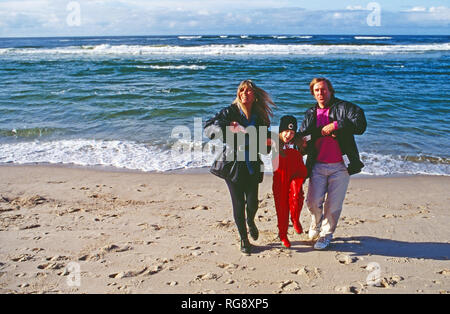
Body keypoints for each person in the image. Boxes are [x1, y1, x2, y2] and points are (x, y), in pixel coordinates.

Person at [204, 80, 275, 255]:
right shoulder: (230, 111)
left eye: (249, 91)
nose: (244, 93)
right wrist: (227, 128)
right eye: (241, 90)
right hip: (232, 164)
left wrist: (267, 143)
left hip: (252, 163)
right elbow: (209, 128)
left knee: (252, 203)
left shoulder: (261, 117)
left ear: (255, 95)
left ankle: (250, 221)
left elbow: (264, 147)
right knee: (238, 203)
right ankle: (244, 239)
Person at [297, 77, 367, 250]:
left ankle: (326, 235)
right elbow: (302, 137)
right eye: (317, 90)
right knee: (313, 202)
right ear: (313, 93)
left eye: (324, 89)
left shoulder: (344, 107)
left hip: (341, 166)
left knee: (333, 205)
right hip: (317, 165)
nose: (321, 93)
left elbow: (360, 125)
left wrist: (336, 125)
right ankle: (315, 223)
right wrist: (302, 143)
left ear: (330, 90)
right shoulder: (310, 113)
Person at [272, 115, 308, 249]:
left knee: (297, 195)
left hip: (296, 174)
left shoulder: (299, 139)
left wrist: (305, 145)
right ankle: (283, 234)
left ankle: (295, 219)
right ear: (280, 131)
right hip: (280, 178)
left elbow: (308, 145)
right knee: (281, 207)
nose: (288, 135)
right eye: (286, 132)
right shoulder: (274, 140)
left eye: (292, 132)